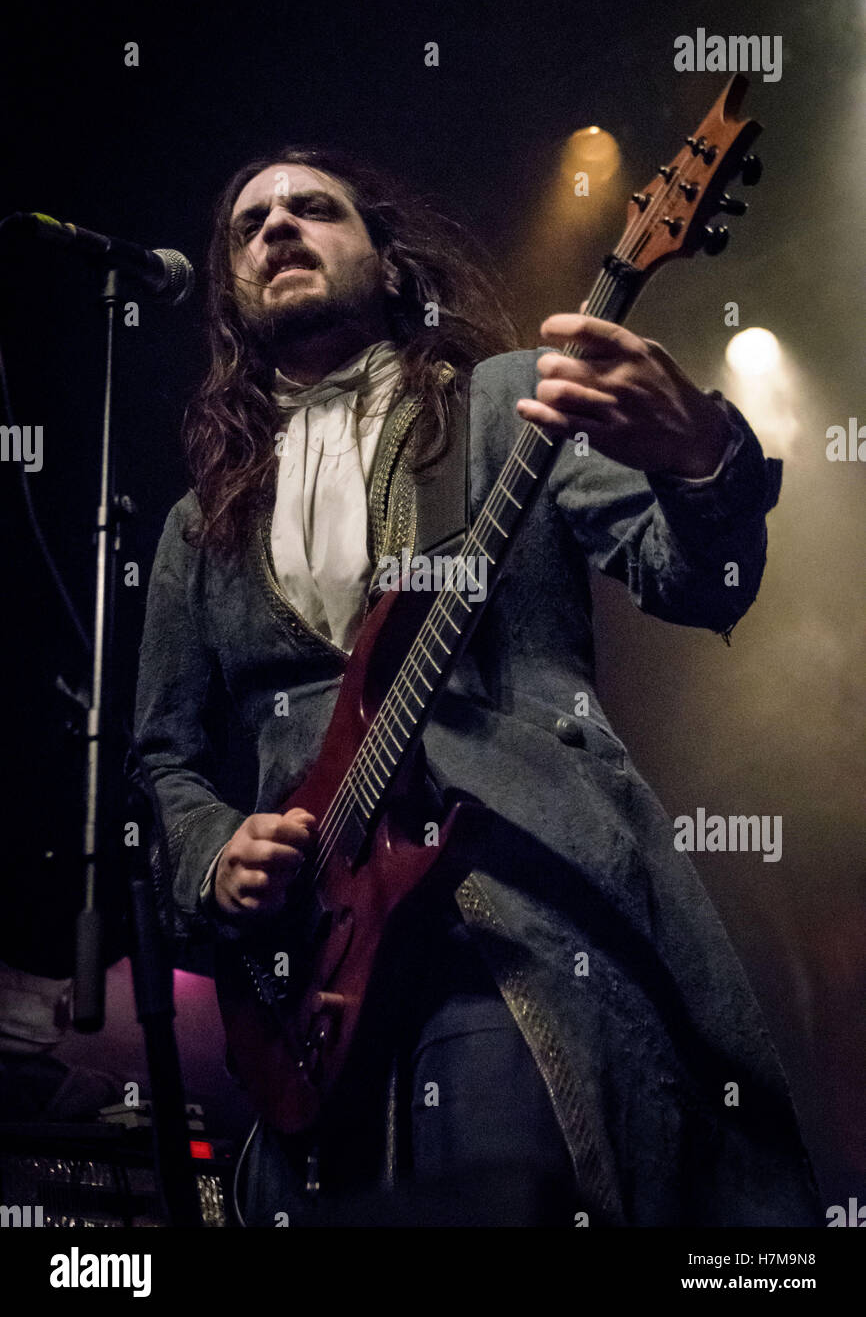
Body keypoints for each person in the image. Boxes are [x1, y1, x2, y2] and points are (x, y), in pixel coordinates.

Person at [134, 145, 820, 1227]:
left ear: (389, 262)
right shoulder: (195, 523)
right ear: (228, 286)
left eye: (313, 209)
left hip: (508, 923)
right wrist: (215, 850)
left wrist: (700, 459)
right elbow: (163, 758)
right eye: (250, 223)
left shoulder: (503, 404)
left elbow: (697, 581)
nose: (278, 228)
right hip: (305, 978)